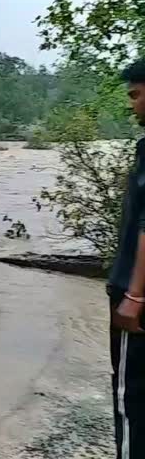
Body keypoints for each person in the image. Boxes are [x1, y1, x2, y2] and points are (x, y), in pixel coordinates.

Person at [109, 58, 145, 458]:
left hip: (136, 296)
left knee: (131, 400)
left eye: (136, 95)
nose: (131, 104)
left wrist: (133, 295)